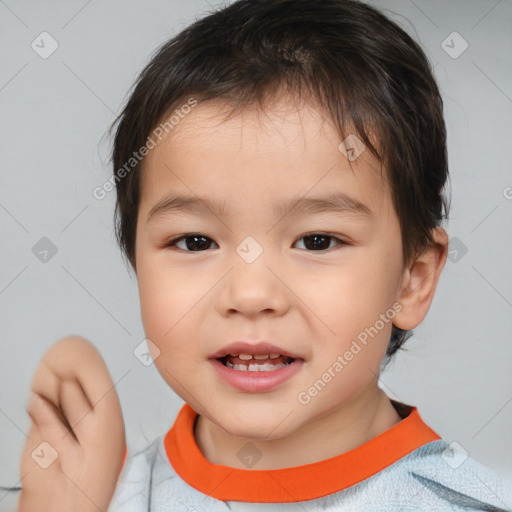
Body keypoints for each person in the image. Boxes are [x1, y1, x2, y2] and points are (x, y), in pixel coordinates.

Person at [16, 0, 511, 510]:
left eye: (317, 241)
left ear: (413, 277)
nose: (250, 295)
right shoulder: (100, 494)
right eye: (195, 242)